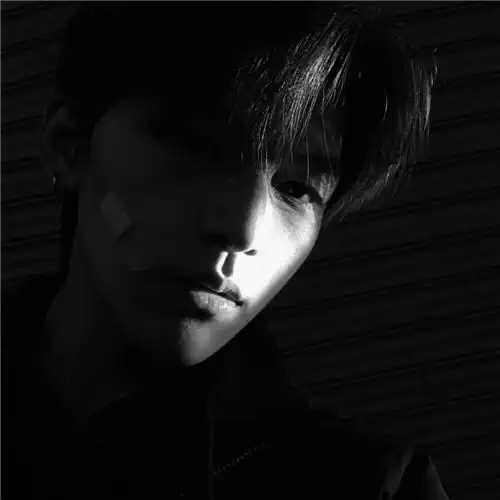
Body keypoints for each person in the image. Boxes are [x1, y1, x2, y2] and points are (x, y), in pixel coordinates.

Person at [2, 2, 449, 499]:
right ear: (70, 145)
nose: (242, 229)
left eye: (297, 189)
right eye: (198, 146)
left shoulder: (375, 489)